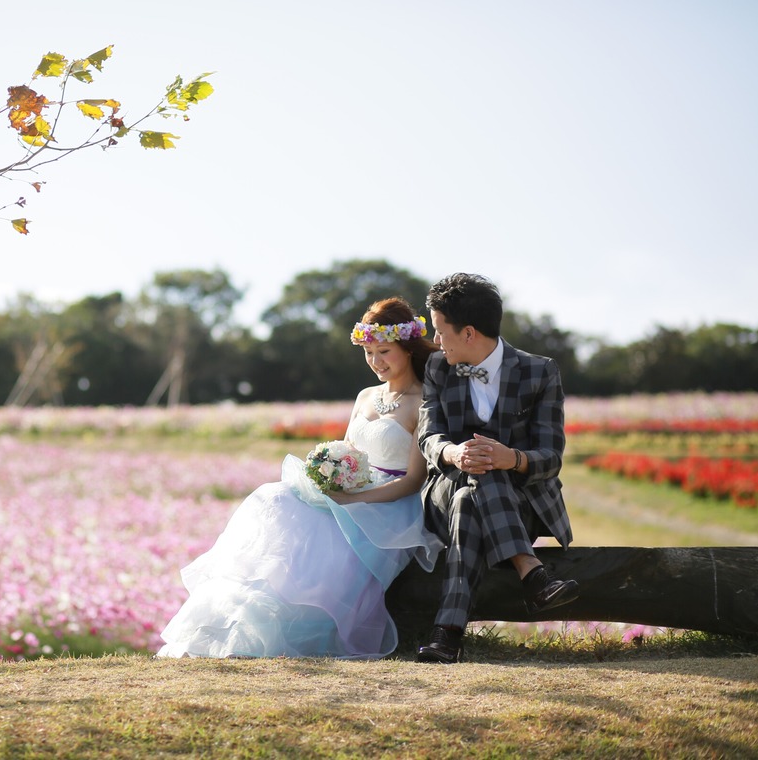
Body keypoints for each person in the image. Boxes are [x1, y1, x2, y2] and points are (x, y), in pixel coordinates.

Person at [157, 297, 444, 658]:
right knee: (276, 499)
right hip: (350, 491)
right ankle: (244, 619)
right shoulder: (365, 396)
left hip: (389, 505)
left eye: (384, 352)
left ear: (408, 348)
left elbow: (413, 481)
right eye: (368, 353)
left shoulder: (423, 401)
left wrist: (353, 500)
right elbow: (348, 451)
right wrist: (330, 476)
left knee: (326, 542)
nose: (376, 362)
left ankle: (295, 630)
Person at [414, 273, 579, 664]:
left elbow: (552, 457)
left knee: (472, 494)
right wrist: (454, 453)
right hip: (445, 491)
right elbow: (428, 437)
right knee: (472, 475)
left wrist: (513, 458)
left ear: (469, 333)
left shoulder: (540, 371)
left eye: (440, 331)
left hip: (521, 504)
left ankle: (447, 635)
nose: (435, 340)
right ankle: (532, 572)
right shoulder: (437, 368)